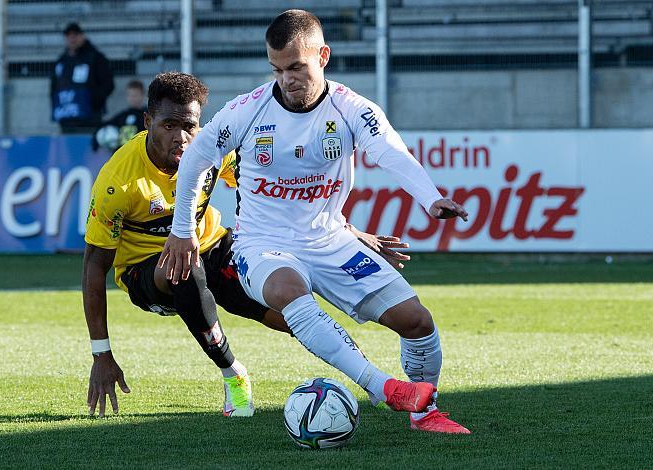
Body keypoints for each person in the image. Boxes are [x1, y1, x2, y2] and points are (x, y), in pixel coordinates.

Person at [162, 10, 471, 434]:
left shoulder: (351, 109)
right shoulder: (247, 111)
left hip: (331, 240)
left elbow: (390, 152)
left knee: (418, 322)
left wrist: (431, 198)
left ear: (322, 56)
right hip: (261, 245)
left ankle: (424, 412)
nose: (286, 79)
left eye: (296, 67)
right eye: (276, 68)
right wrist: (182, 232)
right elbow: (197, 157)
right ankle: (384, 388)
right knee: (289, 289)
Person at [82, 71, 408, 418]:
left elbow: (279, 189)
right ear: (147, 121)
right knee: (184, 269)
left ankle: (371, 381)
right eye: (168, 126)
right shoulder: (118, 182)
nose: (181, 137)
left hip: (211, 246)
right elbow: (94, 266)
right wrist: (102, 354)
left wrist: (347, 229)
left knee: (291, 311)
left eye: (189, 126)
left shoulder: (211, 151)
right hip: (148, 271)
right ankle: (233, 374)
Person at [51, 22, 114, 134]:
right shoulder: (61, 62)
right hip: (67, 120)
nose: (72, 39)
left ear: (82, 36)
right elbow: (54, 88)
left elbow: (108, 84)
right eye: (68, 36)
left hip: (90, 120)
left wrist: (93, 102)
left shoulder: (96, 58)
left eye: (75, 35)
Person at [92, 80, 147, 152]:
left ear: (142, 95)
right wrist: (95, 141)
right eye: (130, 95)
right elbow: (104, 125)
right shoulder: (122, 116)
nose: (132, 98)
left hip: (139, 154)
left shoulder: (149, 116)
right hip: (122, 154)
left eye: (135, 95)